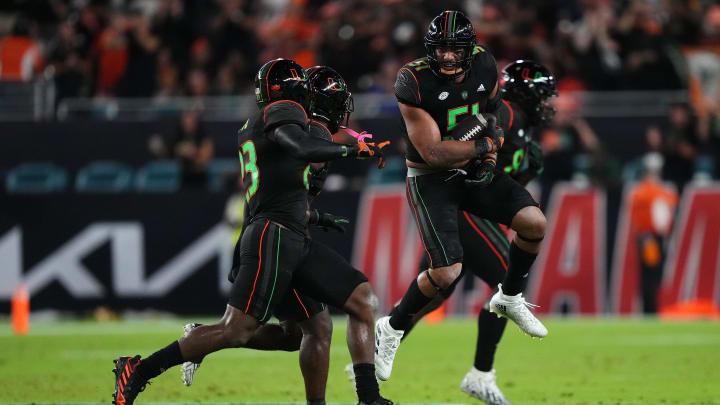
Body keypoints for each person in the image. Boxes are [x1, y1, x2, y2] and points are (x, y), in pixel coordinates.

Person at [111, 58, 393, 405]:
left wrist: (317, 216)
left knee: (339, 314)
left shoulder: (285, 125)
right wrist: (351, 148)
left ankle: (368, 398)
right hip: (273, 237)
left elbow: (288, 187)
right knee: (236, 329)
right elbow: (300, 148)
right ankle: (139, 369)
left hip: (290, 235)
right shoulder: (283, 112)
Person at [374, 10, 549, 383]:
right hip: (430, 178)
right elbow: (434, 153)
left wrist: (489, 151)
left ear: (470, 49)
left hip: (471, 168)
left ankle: (510, 297)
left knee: (534, 223)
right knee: (445, 272)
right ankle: (392, 326)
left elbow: (494, 111)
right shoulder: (413, 80)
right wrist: (488, 144)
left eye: (456, 49)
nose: (449, 56)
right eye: (441, 49)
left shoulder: (485, 64)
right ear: (429, 49)